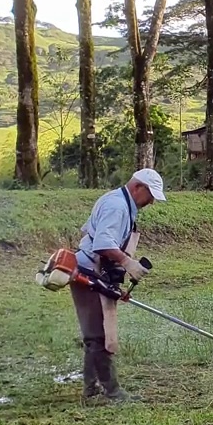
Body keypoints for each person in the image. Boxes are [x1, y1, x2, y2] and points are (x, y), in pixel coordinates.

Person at [72, 168, 167, 402]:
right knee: (99, 335)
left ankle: (91, 387)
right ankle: (112, 392)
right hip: (88, 272)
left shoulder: (119, 202)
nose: (152, 201)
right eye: (151, 195)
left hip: (98, 272)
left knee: (94, 334)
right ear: (138, 187)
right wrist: (127, 262)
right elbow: (102, 244)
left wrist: (116, 279)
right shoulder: (117, 206)